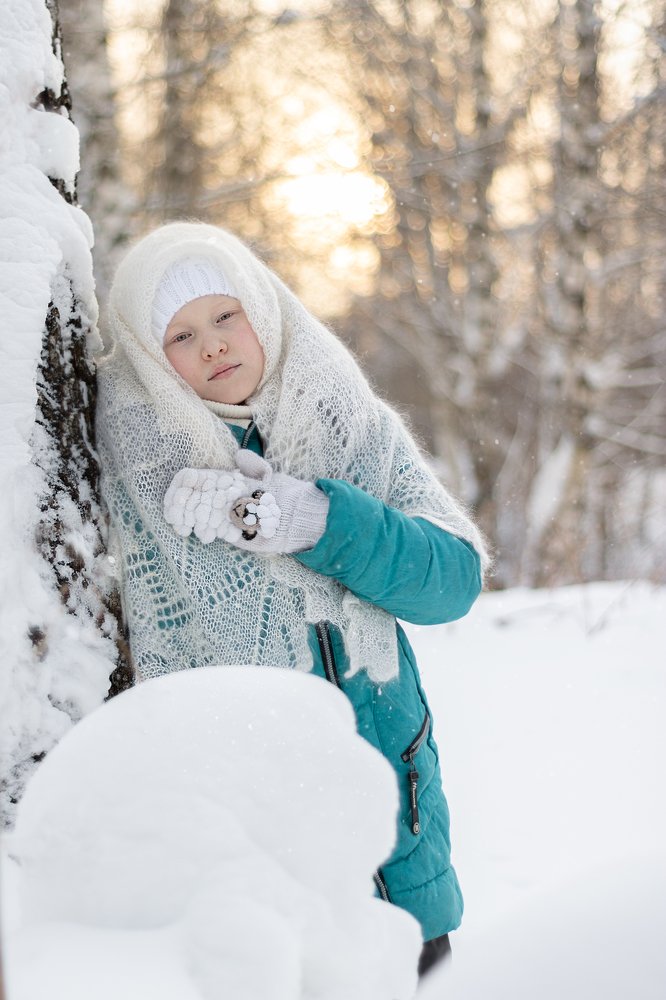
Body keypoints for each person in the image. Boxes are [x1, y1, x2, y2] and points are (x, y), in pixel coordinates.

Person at [96, 222, 489, 977]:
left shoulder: (349, 419)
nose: (213, 344)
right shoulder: (139, 469)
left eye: (225, 315)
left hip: (399, 846)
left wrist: (317, 518)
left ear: (263, 313)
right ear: (149, 359)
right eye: (179, 335)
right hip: (263, 875)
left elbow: (454, 580)